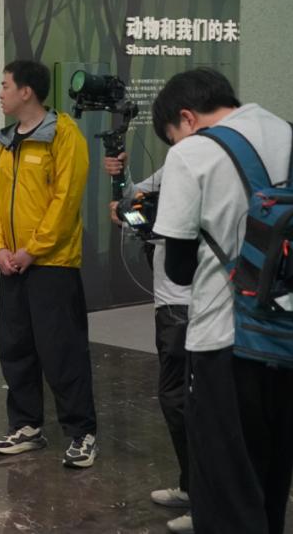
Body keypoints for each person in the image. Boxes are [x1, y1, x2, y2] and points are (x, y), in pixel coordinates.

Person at [152, 68, 293, 534]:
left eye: (173, 135)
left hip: (225, 341)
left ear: (186, 118)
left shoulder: (193, 153)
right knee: (272, 482)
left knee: (226, 491)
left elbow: (179, 270)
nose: (176, 144)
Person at [0, 59, 98, 468]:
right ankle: (27, 426)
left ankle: (82, 433)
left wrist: (33, 250)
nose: (0, 93)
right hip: (13, 264)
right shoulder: (7, 141)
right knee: (15, 349)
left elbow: (65, 201)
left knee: (62, 351)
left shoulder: (64, 135)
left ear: (26, 91)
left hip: (52, 264)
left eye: (5, 85)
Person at [105, 155, 193, 533]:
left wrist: (137, 216)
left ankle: (207, 499)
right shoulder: (177, 161)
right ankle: (192, 486)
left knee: (186, 401)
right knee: (175, 399)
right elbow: (135, 198)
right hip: (169, 303)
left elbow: (175, 224)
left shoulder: (205, 165)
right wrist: (121, 179)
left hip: (192, 304)